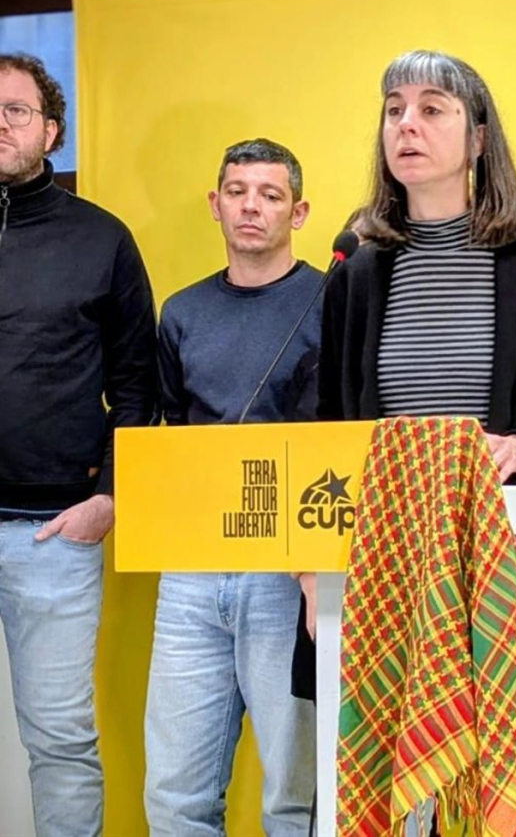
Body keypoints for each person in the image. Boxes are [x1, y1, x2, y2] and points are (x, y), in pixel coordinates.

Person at [306, 49, 516, 837]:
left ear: (479, 138)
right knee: (394, 805)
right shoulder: (356, 274)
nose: (406, 125)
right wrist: (310, 573)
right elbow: (330, 431)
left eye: (432, 109)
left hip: (507, 575)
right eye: (394, 109)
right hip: (383, 580)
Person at [0, 52, 158, 837]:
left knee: (59, 740)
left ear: (51, 131)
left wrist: (109, 497)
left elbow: (139, 386)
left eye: (15, 110)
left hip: (52, 533)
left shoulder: (101, 239)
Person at [145, 138, 318, 835]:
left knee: (295, 799)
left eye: (271, 195)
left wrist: (314, 568)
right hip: (191, 571)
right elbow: (168, 428)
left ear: (298, 213)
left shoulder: (332, 302)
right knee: (175, 797)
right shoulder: (182, 312)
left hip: (290, 570)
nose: (252, 207)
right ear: (215, 204)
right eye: (238, 192)